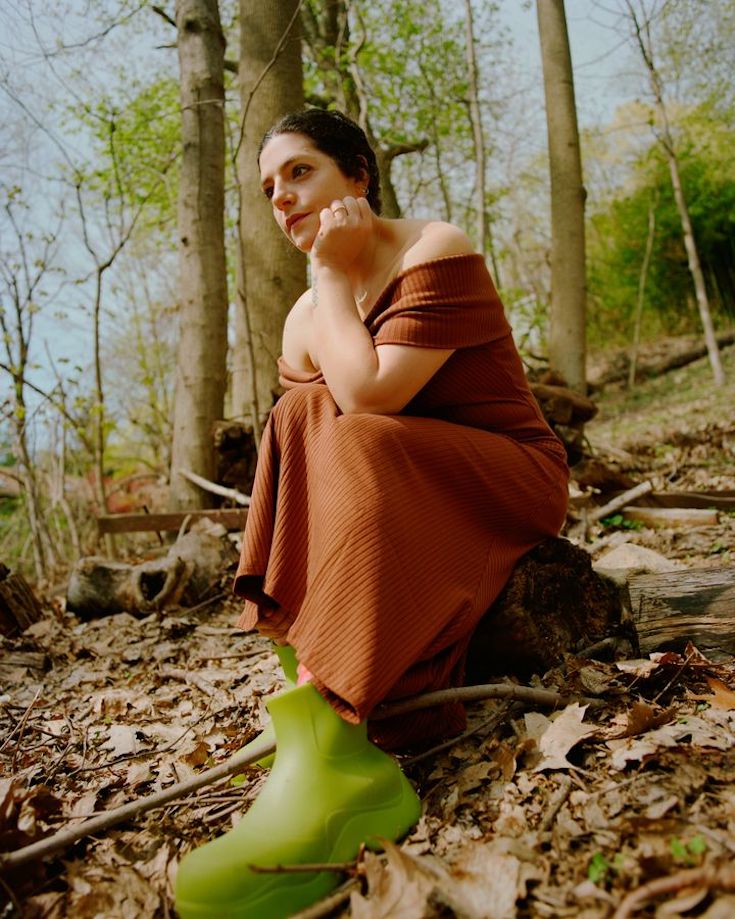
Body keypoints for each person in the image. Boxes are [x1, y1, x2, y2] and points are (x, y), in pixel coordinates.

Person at [175, 108, 569, 918]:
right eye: (267, 188)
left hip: (507, 474)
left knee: (354, 428)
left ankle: (337, 743)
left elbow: (371, 397)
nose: (280, 199)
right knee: (296, 420)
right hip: (404, 487)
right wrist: (326, 288)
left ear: (357, 172)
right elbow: (316, 448)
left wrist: (329, 278)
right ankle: (315, 718)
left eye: (299, 172)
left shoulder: (434, 246)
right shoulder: (301, 319)